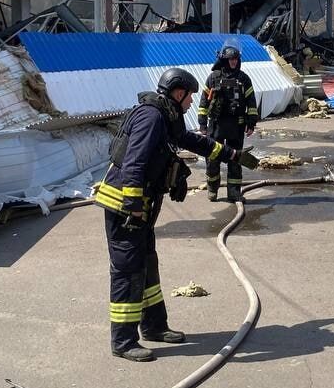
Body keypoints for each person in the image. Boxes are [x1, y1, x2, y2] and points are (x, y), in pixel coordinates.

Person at [94, 68, 260, 362]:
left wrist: (231, 154)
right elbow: (134, 162)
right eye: (190, 95)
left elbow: (192, 141)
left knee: (147, 264)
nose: (192, 101)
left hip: (141, 207)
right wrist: (133, 205)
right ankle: (122, 341)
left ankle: (155, 327)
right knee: (128, 271)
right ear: (178, 92)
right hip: (125, 207)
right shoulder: (151, 117)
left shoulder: (168, 116)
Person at [198, 43, 259, 203]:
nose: (233, 62)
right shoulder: (213, 78)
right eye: (231, 59)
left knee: (235, 159)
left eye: (236, 59)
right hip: (216, 126)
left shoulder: (244, 79)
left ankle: (234, 192)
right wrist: (202, 124)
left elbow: (251, 102)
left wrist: (251, 122)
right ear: (224, 60)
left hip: (236, 126)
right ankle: (212, 189)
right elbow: (204, 102)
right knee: (212, 158)